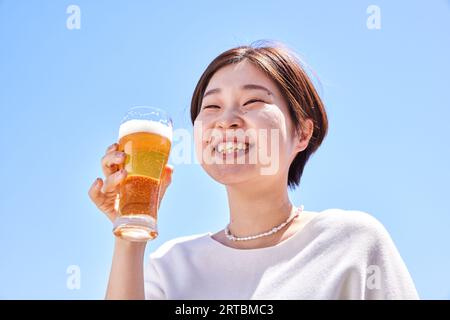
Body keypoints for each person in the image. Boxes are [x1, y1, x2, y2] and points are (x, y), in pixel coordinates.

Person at [88, 41, 419, 299]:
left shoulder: (353, 242)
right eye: (212, 106)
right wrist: (131, 231)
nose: (226, 119)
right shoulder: (172, 265)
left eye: (252, 102)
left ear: (303, 132)